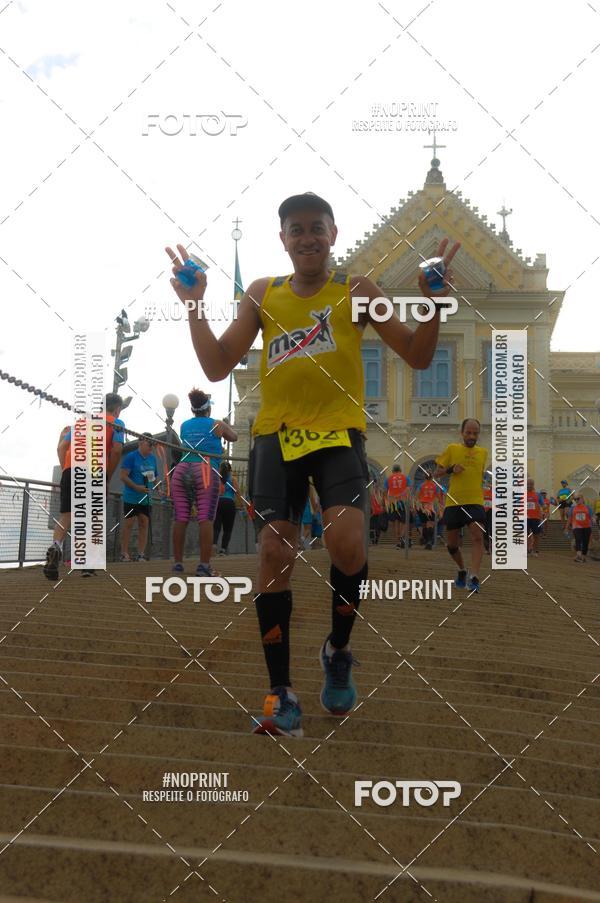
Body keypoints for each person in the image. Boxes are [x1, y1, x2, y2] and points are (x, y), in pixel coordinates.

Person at [167, 191, 459, 737]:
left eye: (317, 228)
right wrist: (194, 305)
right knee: (276, 551)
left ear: (333, 234)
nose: (307, 238)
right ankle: (281, 695)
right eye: (296, 229)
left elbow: (417, 356)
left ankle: (338, 651)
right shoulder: (263, 293)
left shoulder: (358, 291)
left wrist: (436, 305)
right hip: (276, 437)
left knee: (347, 543)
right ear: (282, 239)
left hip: (338, 435)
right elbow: (215, 365)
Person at [43, 393, 125, 580]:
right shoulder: (116, 422)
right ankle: (87, 565)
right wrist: (106, 477)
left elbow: (61, 447)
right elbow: (117, 450)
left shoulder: (82, 422)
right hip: (95, 470)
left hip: (71, 468)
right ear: (117, 408)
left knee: (68, 515)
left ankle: (56, 545)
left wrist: (66, 469)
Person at [170, 389, 238, 575]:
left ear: (193, 410)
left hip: (182, 469)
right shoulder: (216, 424)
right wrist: (223, 425)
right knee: (206, 518)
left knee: (181, 517)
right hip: (206, 469)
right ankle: (204, 566)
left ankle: (177, 564)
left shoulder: (184, 425)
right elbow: (234, 437)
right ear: (208, 409)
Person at [434, 419, 487, 593]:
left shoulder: (483, 453)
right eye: (469, 432)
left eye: (475, 433)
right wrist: (450, 469)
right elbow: (435, 474)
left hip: (475, 502)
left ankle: (474, 577)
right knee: (452, 546)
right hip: (454, 502)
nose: (472, 436)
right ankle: (462, 570)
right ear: (462, 432)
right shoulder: (452, 449)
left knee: (478, 537)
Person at [119, 432, 158, 561]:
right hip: (131, 497)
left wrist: (158, 488)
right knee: (129, 524)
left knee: (144, 523)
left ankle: (140, 553)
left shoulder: (152, 458)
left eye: (153, 444)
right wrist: (136, 487)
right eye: (149, 444)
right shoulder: (131, 457)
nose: (151, 447)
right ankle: (124, 553)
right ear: (141, 443)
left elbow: (152, 476)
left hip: (146, 498)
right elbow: (123, 476)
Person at [213, 461, 239, 555]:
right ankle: (223, 550)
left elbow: (214, 492)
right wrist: (242, 505)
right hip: (230, 504)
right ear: (230, 470)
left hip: (218, 503)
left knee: (216, 526)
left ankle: (214, 545)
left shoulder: (217, 479)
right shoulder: (233, 479)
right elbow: (237, 493)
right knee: (227, 529)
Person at [385, 465, 412, 549]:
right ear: (400, 470)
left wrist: (386, 502)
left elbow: (385, 492)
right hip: (403, 501)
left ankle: (398, 542)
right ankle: (401, 537)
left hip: (393, 503)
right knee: (403, 521)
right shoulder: (406, 478)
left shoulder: (388, 479)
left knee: (395, 522)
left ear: (393, 470)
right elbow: (408, 490)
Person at [569, 495, 594, 562]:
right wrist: (567, 527)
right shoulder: (572, 508)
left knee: (586, 541)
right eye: (575, 499)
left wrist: (593, 520)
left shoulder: (588, 507)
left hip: (587, 527)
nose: (576, 500)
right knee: (578, 539)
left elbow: (591, 517)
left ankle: (583, 556)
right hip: (576, 526)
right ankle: (579, 554)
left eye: (578, 499)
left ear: (582, 499)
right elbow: (570, 518)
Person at [416, 471, 437, 550]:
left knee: (424, 525)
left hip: (421, 507)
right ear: (432, 477)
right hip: (431, 507)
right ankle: (429, 541)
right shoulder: (435, 486)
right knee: (430, 524)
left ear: (424, 477)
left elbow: (416, 496)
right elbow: (438, 498)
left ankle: (426, 541)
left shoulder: (421, 485)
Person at [526, 477, 544, 557]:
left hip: (535, 518)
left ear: (533, 485)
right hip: (525, 518)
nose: (529, 485)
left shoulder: (538, 495)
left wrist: (545, 512)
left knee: (536, 535)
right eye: (528, 484)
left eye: (531, 484)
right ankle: (526, 550)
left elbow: (543, 505)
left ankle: (535, 550)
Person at [482, 478, 493, 553]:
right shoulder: (484, 491)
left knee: (492, 530)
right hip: (484, 512)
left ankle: (492, 547)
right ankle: (487, 548)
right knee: (485, 531)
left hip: (492, 512)